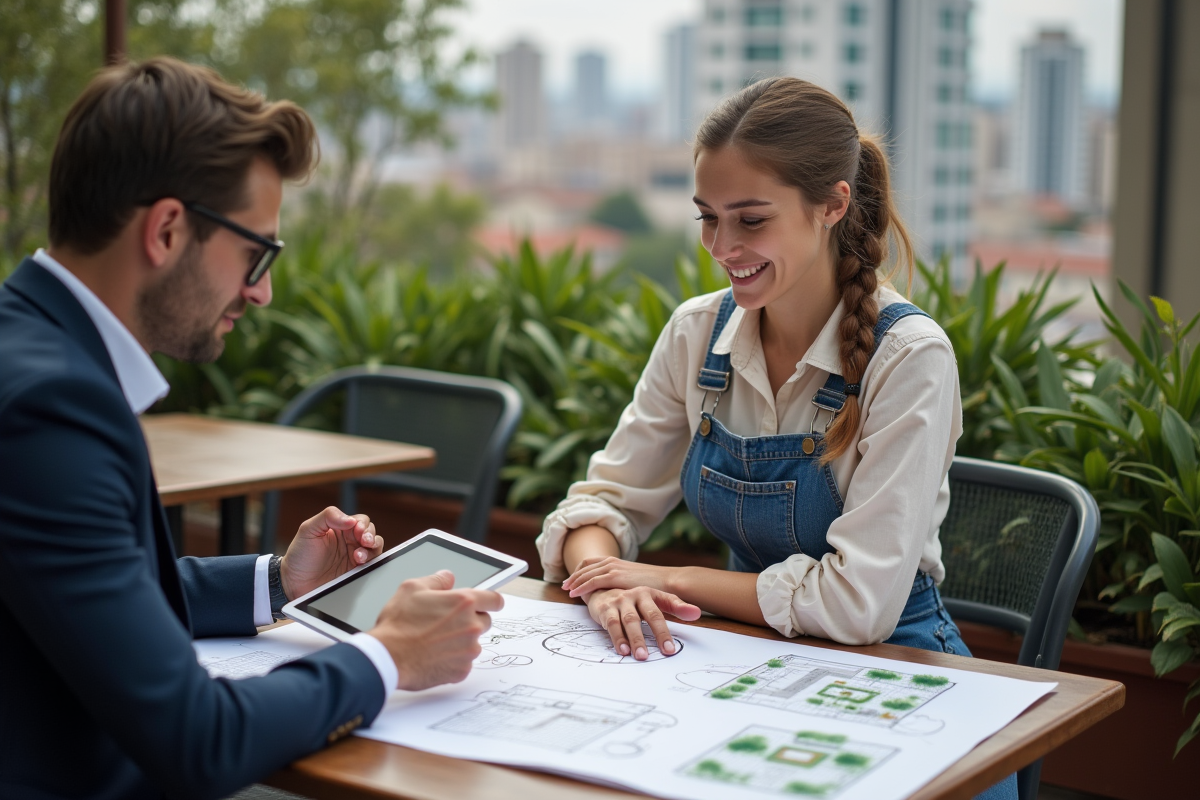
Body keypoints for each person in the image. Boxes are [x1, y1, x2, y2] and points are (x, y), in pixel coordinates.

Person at [0, 57, 502, 800]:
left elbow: (89, 592)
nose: (262, 292)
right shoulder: (53, 407)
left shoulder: (29, 349)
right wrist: (387, 656)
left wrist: (278, 583)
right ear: (167, 230)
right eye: (256, 252)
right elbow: (197, 740)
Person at [540, 78, 1016, 799]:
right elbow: (604, 503)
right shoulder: (696, 334)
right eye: (707, 219)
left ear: (832, 205)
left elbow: (859, 606)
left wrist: (665, 580)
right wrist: (604, 585)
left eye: (750, 221)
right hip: (745, 663)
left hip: (900, 678)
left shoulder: (909, 358)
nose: (722, 248)